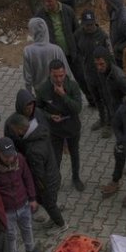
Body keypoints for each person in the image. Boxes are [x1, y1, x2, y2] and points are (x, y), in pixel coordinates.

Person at [0, 137, 49, 252]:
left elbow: (27, 178)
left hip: (24, 204)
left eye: (12, 155)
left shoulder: (19, 159)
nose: (10, 159)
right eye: (6, 156)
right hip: (6, 210)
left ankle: (30, 249)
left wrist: (32, 198)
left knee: (27, 228)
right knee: (11, 235)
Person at [5, 113, 70, 236]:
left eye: (15, 130)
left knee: (49, 204)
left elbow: (38, 175)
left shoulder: (33, 150)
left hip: (47, 182)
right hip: (53, 173)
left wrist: (37, 191)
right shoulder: (40, 130)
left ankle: (61, 224)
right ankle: (54, 219)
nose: (15, 134)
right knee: (50, 203)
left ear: (21, 129)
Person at [37, 58, 86, 191]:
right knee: (56, 158)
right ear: (50, 74)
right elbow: (38, 109)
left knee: (74, 154)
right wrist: (49, 116)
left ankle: (76, 178)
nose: (59, 79)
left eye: (61, 75)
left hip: (72, 126)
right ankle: (55, 180)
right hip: (55, 130)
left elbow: (77, 108)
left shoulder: (72, 86)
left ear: (65, 73)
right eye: (55, 76)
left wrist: (64, 95)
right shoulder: (43, 89)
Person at [96, 49, 126, 196]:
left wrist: (123, 114)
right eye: (97, 65)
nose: (99, 67)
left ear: (108, 62)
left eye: (101, 64)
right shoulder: (103, 74)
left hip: (124, 118)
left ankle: (115, 181)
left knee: (119, 150)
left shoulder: (118, 76)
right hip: (116, 116)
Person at [36, 0, 85, 96]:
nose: (47, 4)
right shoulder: (40, 15)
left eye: (49, 1)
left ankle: (92, 100)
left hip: (71, 52)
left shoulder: (68, 11)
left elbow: (76, 30)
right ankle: (65, 102)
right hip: (55, 56)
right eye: (45, 2)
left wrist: (78, 48)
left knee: (81, 77)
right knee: (60, 80)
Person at [24, 17, 72, 94]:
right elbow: (67, 72)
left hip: (39, 91)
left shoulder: (28, 51)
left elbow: (28, 78)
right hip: (57, 89)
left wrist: (29, 95)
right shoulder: (56, 49)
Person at [75, 10, 111, 112]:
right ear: (82, 24)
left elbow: (110, 55)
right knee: (96, 98)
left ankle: (110, 117)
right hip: (88, 73)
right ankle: (102, 118)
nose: (89, 27)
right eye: (87, 25)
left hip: (101, 73)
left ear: (95, 21)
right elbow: (77, 50)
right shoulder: (78, 34)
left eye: (91, 24)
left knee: (106, 97)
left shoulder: (103, 36)